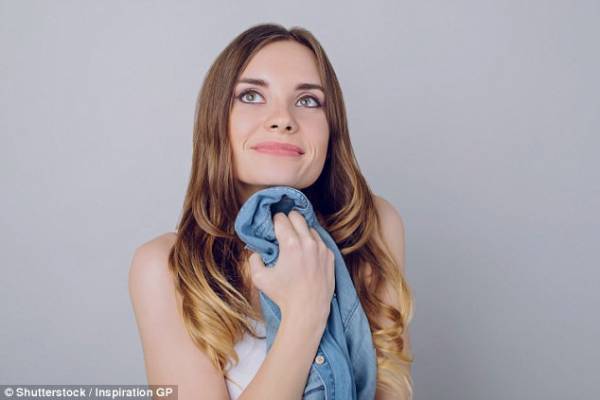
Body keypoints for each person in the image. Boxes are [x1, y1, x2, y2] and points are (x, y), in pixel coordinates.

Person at [128, 23, 414, 400]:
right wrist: (305, 313)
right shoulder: (164, 267)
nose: (283, 119)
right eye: (251, 95)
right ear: (216, 120)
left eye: (308, 100)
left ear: (332, 128)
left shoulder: (374, 227)